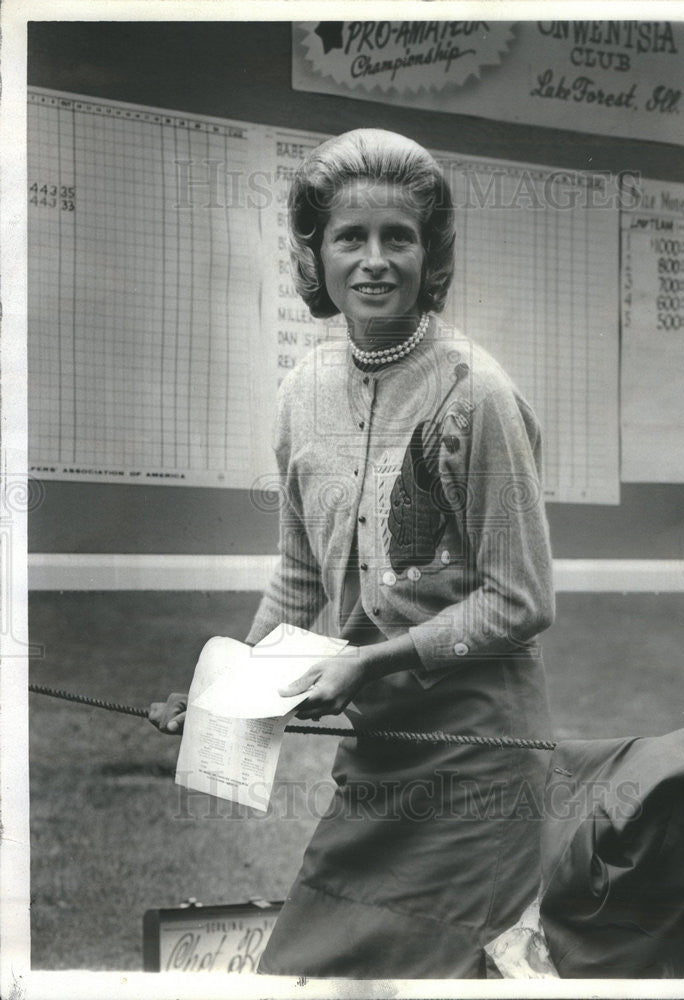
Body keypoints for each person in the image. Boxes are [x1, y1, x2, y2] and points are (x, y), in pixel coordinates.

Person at [150, 128, 555, 979]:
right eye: (350, 237)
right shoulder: (300, 395)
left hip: (481, 762)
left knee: (439, 978)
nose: (374, 261)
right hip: (378, 758)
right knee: (308, 970)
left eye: (398, 237)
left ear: (430, 253)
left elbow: (520, 600)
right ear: (317, 256)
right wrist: (221, 697)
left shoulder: (475, 393)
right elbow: (300, 574)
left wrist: (372, 662)